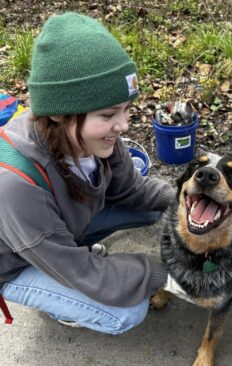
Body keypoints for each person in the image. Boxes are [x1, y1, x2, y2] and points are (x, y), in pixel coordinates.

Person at [0, 12, 187, 335]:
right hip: (13, 262)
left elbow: (133, 190)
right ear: (60, 113)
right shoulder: (17, 186)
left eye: (126, 109)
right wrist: (170, 275)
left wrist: (188, 201)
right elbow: (85, 271)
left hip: (49, 231)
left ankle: (63, 252)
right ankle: (58, 300)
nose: (124, 125)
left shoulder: (91, 136)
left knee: (154, 211)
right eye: (108, 114)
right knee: (126, 312)